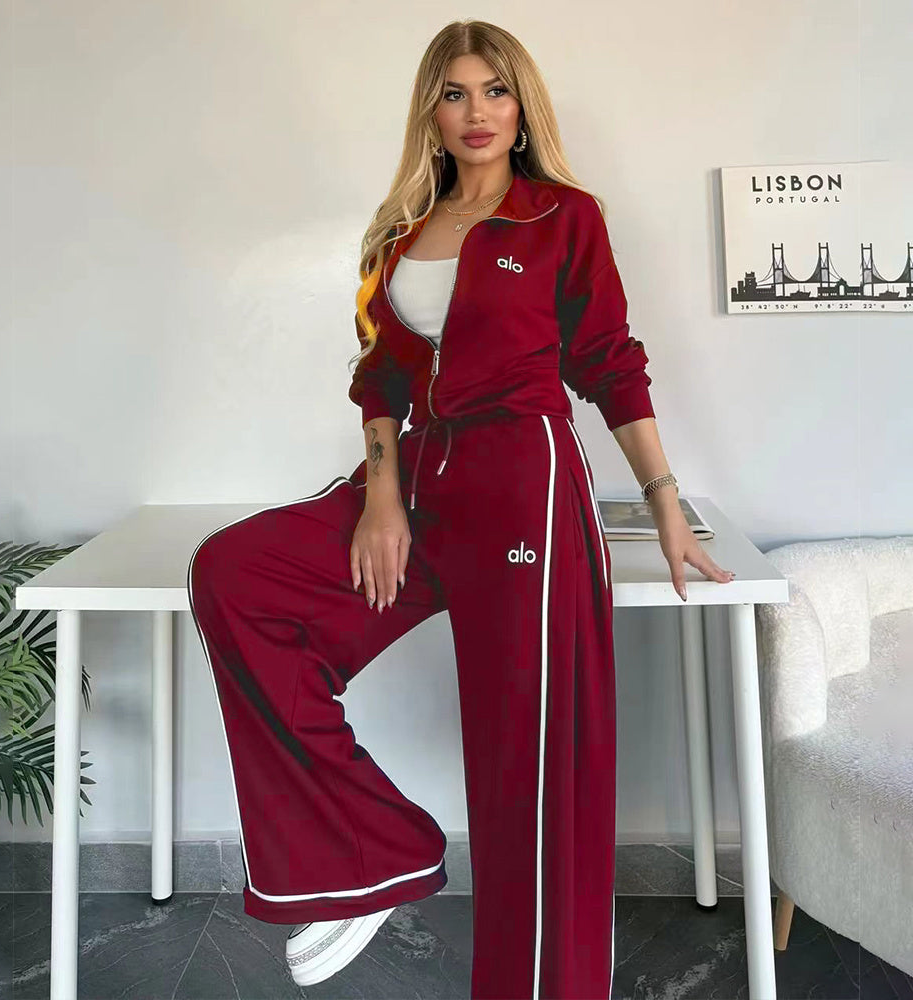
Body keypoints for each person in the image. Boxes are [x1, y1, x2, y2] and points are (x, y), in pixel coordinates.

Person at [187, 18, 735, 999]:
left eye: (494, 90)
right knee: (236, 575)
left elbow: (608, 359)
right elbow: (380, 378)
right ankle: (365, 852)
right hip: (416, 482)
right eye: (454, 92)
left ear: (522, 107)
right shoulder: (400, 233)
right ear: (430, 113)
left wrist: (665, 501)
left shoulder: (561, 217)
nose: (476, 111)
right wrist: (381, 497)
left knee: (528, 769)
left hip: (523, 488)